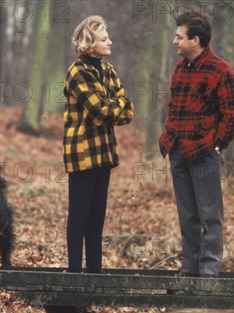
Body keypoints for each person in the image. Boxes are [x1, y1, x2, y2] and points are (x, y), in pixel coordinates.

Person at [160, 10, 234, 277]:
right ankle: (190, 268)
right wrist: (168, 139)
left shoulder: (220, 71)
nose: (175, 41)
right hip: (178, 151)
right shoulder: (179, 69)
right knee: (187, 216)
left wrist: (217, 145)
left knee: (210, 216)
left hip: (204, 154)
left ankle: (209, 271)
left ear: (195, 40)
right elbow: (175, 110)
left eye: (179, 37)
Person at [63, 15, 134, 273]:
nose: (110, 42)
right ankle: (74, 272)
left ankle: (94, 271)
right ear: (89, 43)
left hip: (103, 152)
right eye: (104, 39)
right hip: (81, 152)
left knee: (97, 217)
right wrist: (114, 106)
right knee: (79, 215)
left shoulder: (109, 70)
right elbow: (101, 111)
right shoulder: (77, 72)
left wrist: (114, 106)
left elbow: (128, 110)